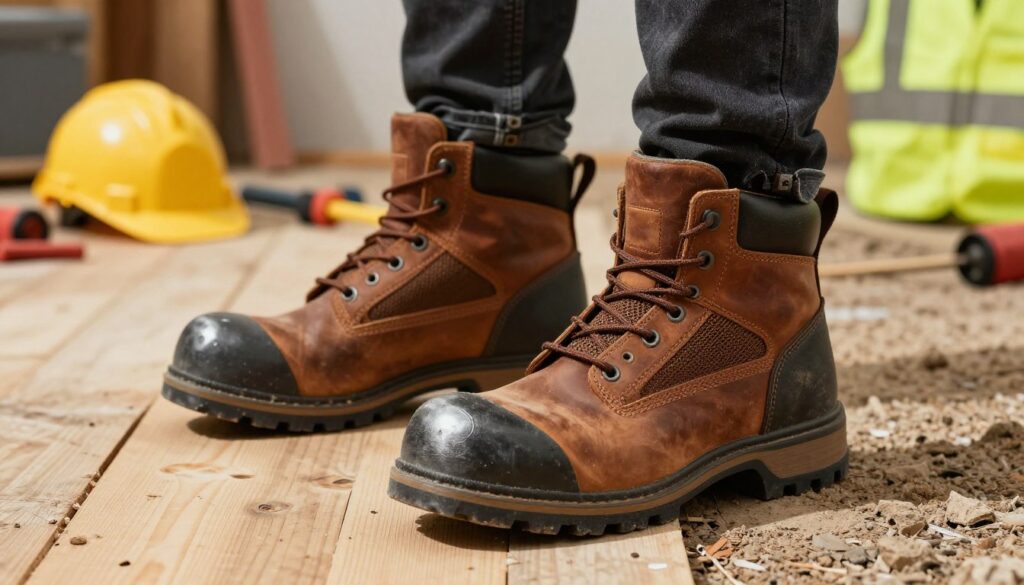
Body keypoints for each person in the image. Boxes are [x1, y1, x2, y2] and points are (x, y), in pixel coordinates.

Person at [163, 0, 845, 535]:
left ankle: (746, 263)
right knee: (478, 112)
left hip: (742, 289)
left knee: (730, 148)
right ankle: (489, 232)